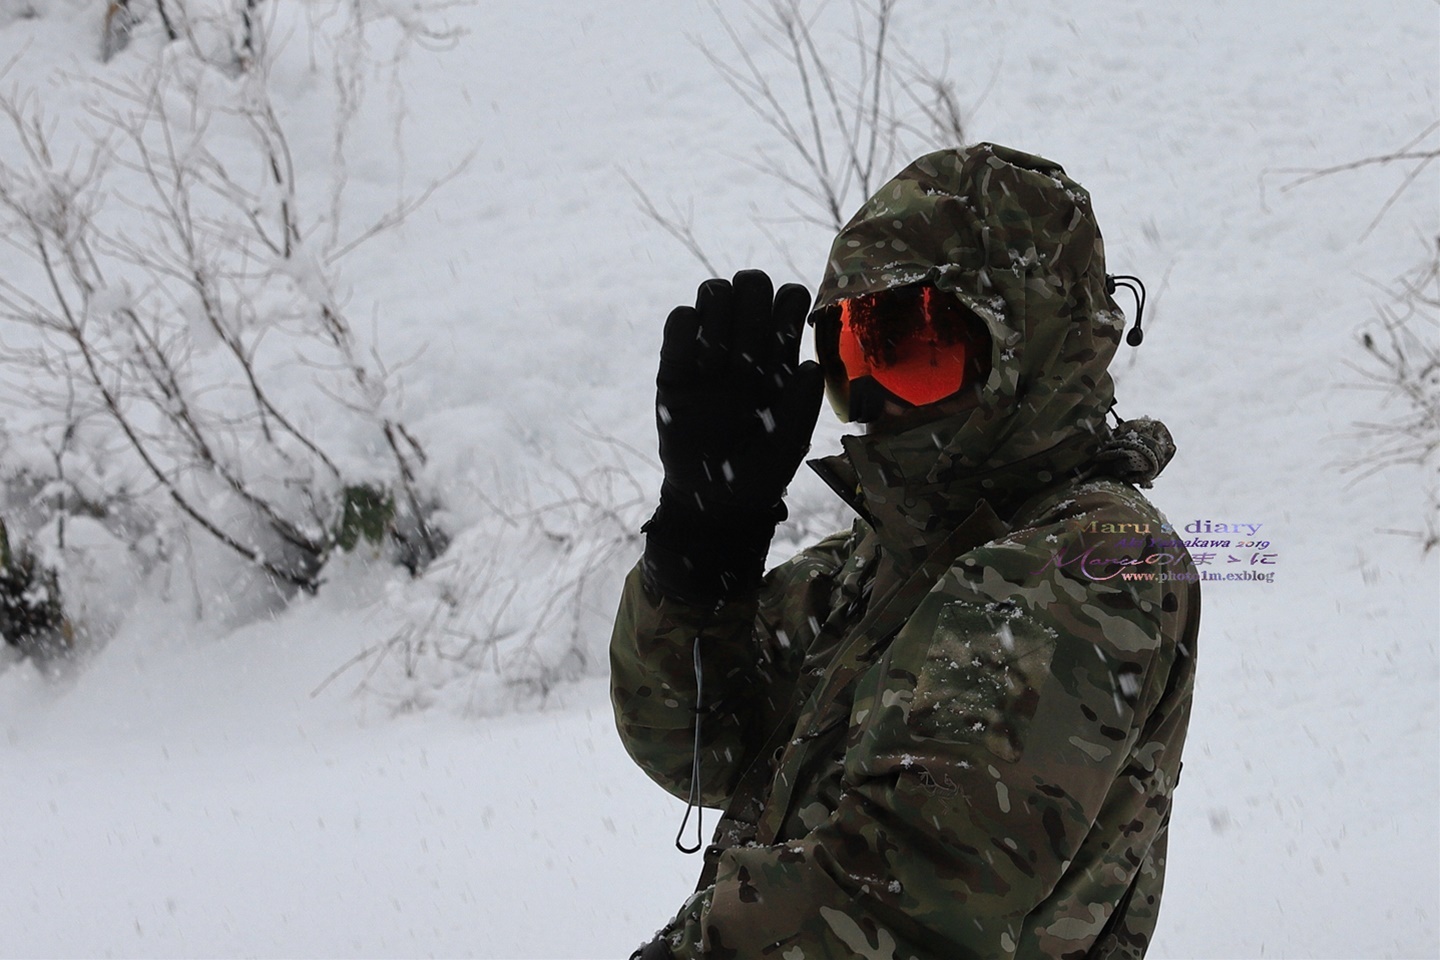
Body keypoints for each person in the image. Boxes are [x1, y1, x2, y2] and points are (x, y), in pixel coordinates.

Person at [611, 143, 1200, 960]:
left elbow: (886, 900)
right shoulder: (882, 559)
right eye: (853, 355)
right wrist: (705, 541)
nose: (877, 397)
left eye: (913, 348)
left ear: (1028, 338)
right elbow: (698, 746)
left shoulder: (1097, 560)